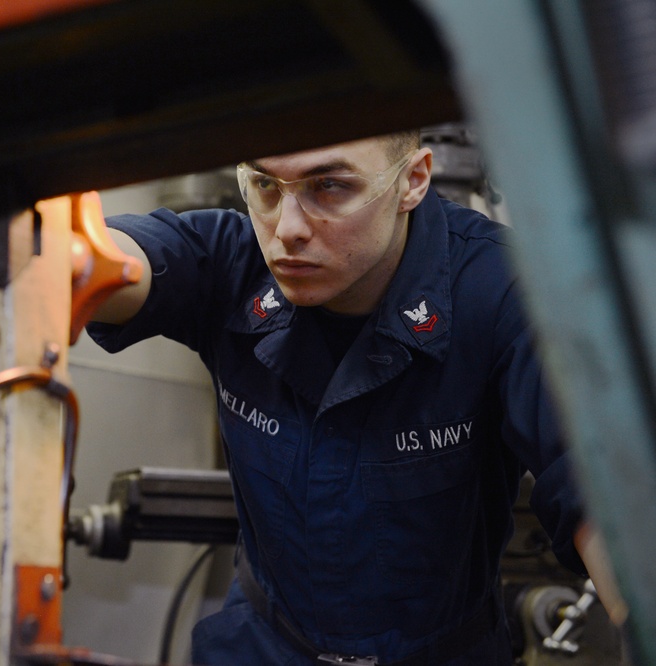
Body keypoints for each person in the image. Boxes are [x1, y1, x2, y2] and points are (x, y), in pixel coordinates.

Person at [86, 131, 620, 664]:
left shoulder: (503, 290)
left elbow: (602, 500)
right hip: (263, 647)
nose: (287, 230)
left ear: (412, 180)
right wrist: (68, 257)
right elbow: (112, 262)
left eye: (330, 186)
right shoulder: (230, 262)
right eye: (265, 185)